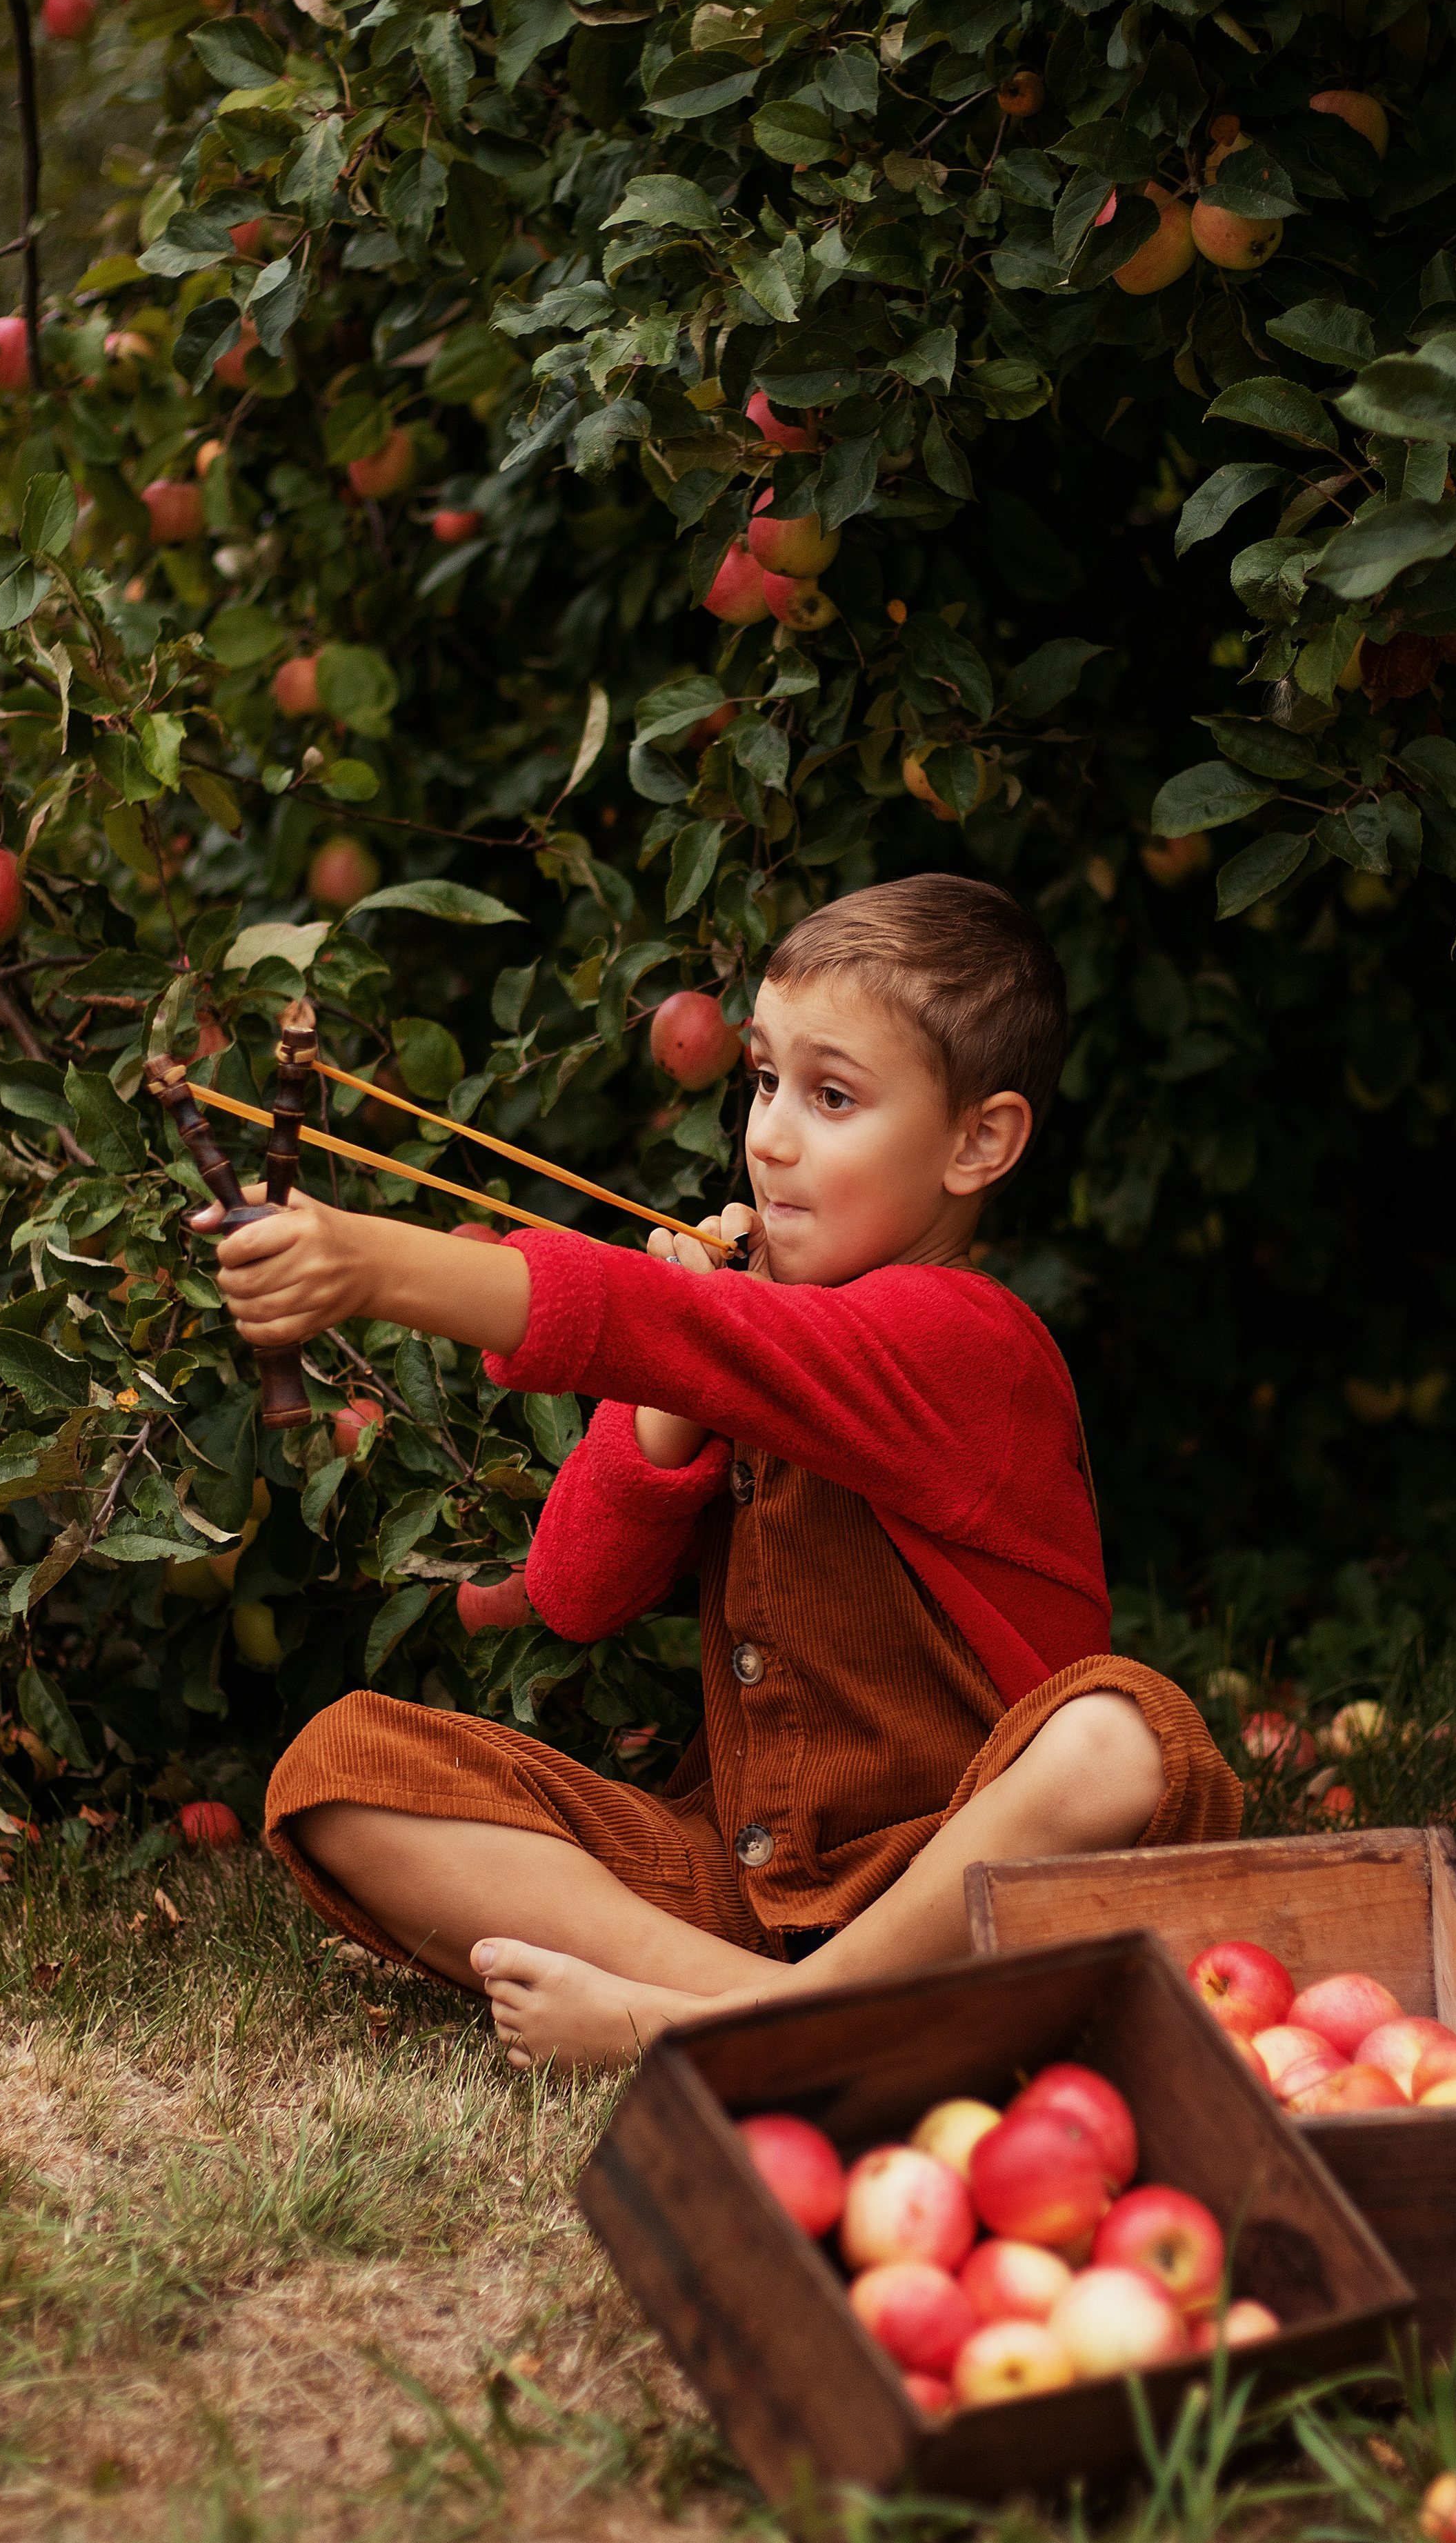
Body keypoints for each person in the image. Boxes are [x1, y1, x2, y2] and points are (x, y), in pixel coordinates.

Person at [203, 875, 1240, 2069]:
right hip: (754, 1893)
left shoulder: (967, 1342)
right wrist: (665, 1396)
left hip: (990, 1889)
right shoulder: (745, 1345)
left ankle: (753, 2025)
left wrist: (377, 1266)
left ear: (979, 1142)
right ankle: (776, 2010)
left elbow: (666, 1327)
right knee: (343, 1768)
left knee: (1121, 1737)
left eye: (833, 1097)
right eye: (762, 1080)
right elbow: (576, 1590)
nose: (769, 1136)